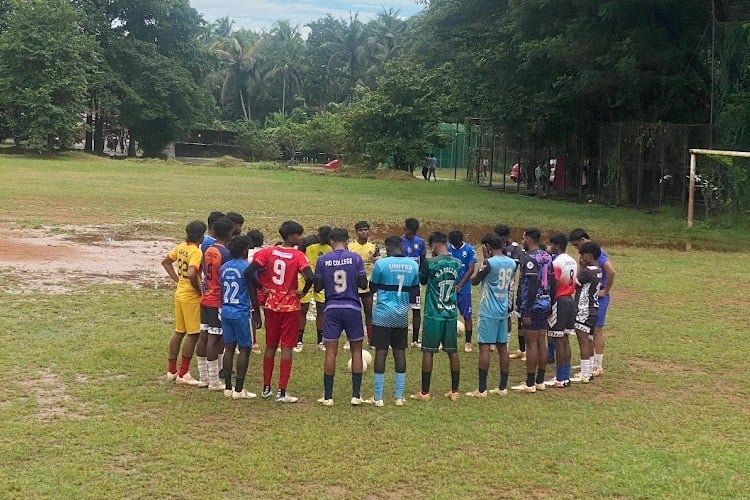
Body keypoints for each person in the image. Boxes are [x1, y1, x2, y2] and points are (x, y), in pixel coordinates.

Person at [248, 221, 314, 403]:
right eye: (299, 235)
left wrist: (262, 287)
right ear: (291, 236)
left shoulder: (267, 252)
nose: (301, 238)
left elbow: (249, 272)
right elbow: (310, 276)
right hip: (290, 306)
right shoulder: (298, 255)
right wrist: (303, 292)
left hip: (271, 305)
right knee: (286, 347)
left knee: (270, 346)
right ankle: (282, 391)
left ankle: (266, 388)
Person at [313, 228, 368, 406]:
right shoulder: (355, 258)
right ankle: (356, 395)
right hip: (351, 307)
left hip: (331, 308)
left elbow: (318, 287)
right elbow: (363, 284)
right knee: (356, 350)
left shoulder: (322, 260)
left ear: (330, 241)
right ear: (347, 240)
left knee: (330, 351)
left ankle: (328, 397)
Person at [364, 236, 421, 407]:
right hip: (401, 316)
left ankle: (378, 397)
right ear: (402, 247)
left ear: (387, 248)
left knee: (381, 352)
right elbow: (414, 292)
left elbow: (371, 288)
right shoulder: (413, 265)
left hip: (382, 315)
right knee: (399, 353)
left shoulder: (381, 264)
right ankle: (398, 397)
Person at [411, 231, 462, 402]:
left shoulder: (430, 263)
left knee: (428, 351)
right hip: (451, 312)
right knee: (452, 352)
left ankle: (425, 393)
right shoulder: (457, 263)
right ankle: (455, 391)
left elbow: (423, 281)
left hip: (434, 313)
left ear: (433, 245)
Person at [466, 233, 516, 397]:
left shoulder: (489, 263)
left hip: (488, 310)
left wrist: (484, 260)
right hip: (503, 309)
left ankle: (482, 389)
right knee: (503, 347)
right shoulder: (511, 263)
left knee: (484, 347)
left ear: (487, 246)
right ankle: (502, 387)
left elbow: (474, 280)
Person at [161, 220, 207, 385]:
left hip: (180, 293)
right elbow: (193, 272)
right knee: (194, 334)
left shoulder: (180, 247)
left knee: (179, 331)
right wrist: (198, 289)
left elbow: (166, 262)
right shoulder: (196, 252)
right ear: (201, 236)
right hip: (190, 296)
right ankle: (183, 372)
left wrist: (177, 280)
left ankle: (172, 370)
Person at [568, 228, 616, 377]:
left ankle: (598, 365)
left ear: (583, 240)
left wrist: (605, 290)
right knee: (588, 330)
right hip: (588, 296)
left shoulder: (597, 254)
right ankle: (588, 362)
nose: (576, 248)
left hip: (597, 297)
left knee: (597, 330)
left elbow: (611, 271)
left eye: (577, 245)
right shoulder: (587, 254)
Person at [511, 228, 553, 394]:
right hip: (546, 302)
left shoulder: (529, 258)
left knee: (531, 343)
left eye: (523, 238)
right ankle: (540, 381)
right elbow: (553, 280)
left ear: (528, 239)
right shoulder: (547, 257)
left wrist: (526, 310)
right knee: (541, 340)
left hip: (533, 305)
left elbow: (533, 282)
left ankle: (529, 383)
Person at [220, 235, 262, 399]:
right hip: (241, 312)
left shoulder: (224, 267)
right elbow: (253, 292)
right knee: (245, 349)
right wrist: (257, 313)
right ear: (246, 250)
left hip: (226, 311)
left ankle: (228, 387)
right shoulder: (247, 268)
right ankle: (239, 389)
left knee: (229, 348)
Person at [196, 217, 234, 390]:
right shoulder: (225, 253)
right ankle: (213, 380)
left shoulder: (208, 249)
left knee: (204, 335)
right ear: (228, 232)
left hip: (206, 296)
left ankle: (204, 376)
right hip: (217, 299)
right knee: (215, 337)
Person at [544, 234, 577, 388]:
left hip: (560, 301)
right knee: (565, 339)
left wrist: (549, 304)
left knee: (558, 340)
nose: (549, 248)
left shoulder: (557, 263)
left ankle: (560, 378)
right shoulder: (573, 260)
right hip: (570, 300)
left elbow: (554, 284)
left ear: (556, 245)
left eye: (551, 245)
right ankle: (565, 376)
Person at [297, 226, 332, 352]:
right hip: (305, 279)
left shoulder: (330, 244)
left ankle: (320, 341)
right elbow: (298, 258)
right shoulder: (306, 242)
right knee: (303, 309)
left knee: (321, 308)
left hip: (323, 281)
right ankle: (299, 341)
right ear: (318, 235)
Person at [570, 241, 602, 383]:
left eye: (582, 255)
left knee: (583, 341)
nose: (581, 258)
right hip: (594, 309)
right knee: (588, 340)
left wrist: (580, 266)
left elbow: (575, 284)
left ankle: (584, 374)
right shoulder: (598, 270)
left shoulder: (588, 271)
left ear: (588, 256)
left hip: (583, 309)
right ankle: (588, 371)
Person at [347, 221, 380, 348]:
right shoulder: (350, 247)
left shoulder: (373, 247)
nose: (363, 232)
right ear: (356, 232)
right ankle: (350, 339)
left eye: (366, 230)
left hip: (368, 285)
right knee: (353, 313)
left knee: (369, 313)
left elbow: (378, 264)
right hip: (353, 285)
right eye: (361, 230)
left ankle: (371, 340)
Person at [494, 224, 524, 358]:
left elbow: (514, 266)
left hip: (509, 286)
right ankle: (495, 340)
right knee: (495, 312)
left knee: (507, 313)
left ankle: (505, 344)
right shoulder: (496, 246)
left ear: (506, 237)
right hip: (496, 285)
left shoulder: (516, 249)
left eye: (501, 238)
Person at [448, 230, 477, 352]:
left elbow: (471, 269)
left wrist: (460, 285)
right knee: (448, 314)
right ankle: (448, 340)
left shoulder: (469, 250)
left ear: (461, 240)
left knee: (467, 315)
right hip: (450, 287)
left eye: (457, 242)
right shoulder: (449, 249)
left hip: (464, 288)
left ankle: (468, 342)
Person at [403, 217, 427, 347]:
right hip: (401, 282)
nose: (411, 234)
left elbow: (423, 261)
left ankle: (415, 339)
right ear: (404, 229)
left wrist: (422, 276)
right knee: (400, 309)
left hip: (414, 283)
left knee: (416, 309)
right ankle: (400, 338)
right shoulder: (400, 242)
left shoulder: (421, 243)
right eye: (409, 231)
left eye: (414, 232)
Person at [247, 229, 265, 354]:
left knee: (252, 314)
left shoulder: (247, 253)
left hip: (252, 286)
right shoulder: (265, 252)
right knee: (268, 315)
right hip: (264, 287)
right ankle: (272, 341)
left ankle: (254, 342)